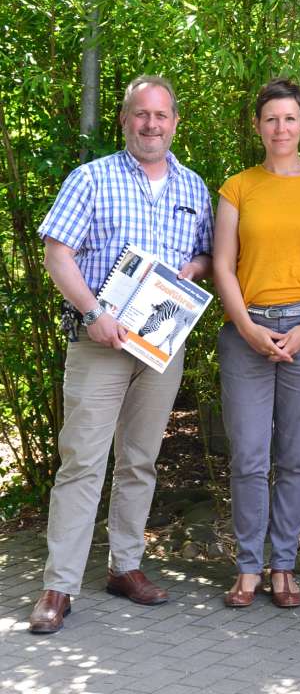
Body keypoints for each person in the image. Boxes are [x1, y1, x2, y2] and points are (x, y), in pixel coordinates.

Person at [29, 76, 214, 633]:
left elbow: (206, 253)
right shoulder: (91, 178)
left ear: (175, 122)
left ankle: (125, 567)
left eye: (161, 115)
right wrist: (92, 313)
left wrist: (194, 270)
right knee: (83, 460)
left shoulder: (194, 187)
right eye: (141, 114)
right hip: (100, 342)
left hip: (161, 345)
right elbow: (56, 253)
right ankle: (58, 586)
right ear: (125, 120)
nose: (151, 124)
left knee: (140, 459)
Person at [213, 78, 300, 608]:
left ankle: (284, 566)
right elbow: (223, 264)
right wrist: (245, 325)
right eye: (271, 119)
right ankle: (248, 566)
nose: (280, 128)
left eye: (290, 118)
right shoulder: (237, 187)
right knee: (248, 456)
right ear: (257, 126)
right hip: (247, 330)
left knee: (295, 456)